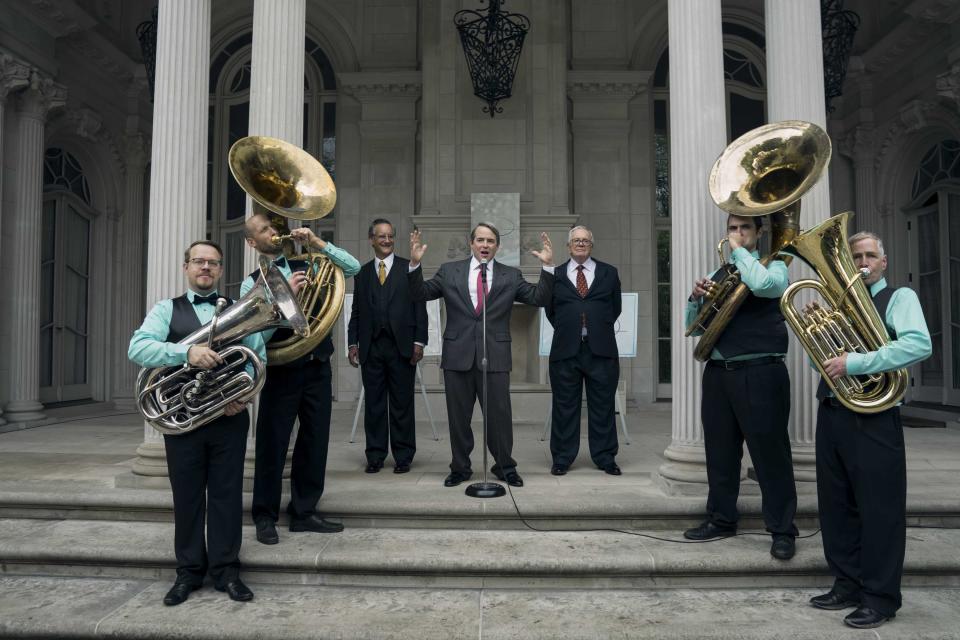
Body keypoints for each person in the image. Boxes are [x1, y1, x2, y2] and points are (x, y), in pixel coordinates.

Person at [808, 231, 931, 630]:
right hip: (833, 411)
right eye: (855, 256)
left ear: (883, 262)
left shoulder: (900, 298)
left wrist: (854, 363)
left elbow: (918, 344)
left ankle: (880, 597)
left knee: (880, 510)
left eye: (869, 256)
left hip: (874, 416)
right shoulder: (839, 304)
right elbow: (823, 363)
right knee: (836, 504)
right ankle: (847, 583)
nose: (862, 262)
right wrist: (821, 338)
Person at [128, 240, 263, 605]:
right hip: (183, 421)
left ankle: (227, 571)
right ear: (186, 267)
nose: (206, 268)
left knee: (227, 496)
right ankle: (188, 573)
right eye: (199, 262)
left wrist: (242, 395)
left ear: (220, 270)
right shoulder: (165, 310)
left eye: (213, 263)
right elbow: (137, 348)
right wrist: (184, 351)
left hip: (228, 418)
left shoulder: (241, 310)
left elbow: (256, 358)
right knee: (186, 499)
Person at [683, 214, 799, 561]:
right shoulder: (721, 273)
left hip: (760, 371)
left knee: (770, 456)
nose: (736, 234)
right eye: (732, 229)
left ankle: (782, 529)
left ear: (759, 233)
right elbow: (696, 327)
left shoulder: (776, 265)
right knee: (720, 452)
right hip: (720, 372)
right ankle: (721, 519)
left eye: (744, 228)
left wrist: (740, 254)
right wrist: (695, 297)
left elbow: (764, 286)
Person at [243, 212, 360, 545]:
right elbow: (252, 335)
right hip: (281, 370)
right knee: (273, 443)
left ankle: (304, 512)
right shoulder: (252, 280)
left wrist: (317, 242)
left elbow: (353, 268)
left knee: (314, 442)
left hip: (316, 365)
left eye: (272, 226)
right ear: (253, 243)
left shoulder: (309, 262)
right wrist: (282, 302)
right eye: (263, 230)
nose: (272, 232)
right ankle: (264, 515)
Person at [408, 223, 554, 488]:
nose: (485, 245)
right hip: (458, 355)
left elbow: (539, 298)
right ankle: (460, 468)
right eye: (480, 240)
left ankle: (505, 466)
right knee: (458, 417)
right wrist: (415, 265)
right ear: (471, 243)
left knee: (499, 416)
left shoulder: (510, 275)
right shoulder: (449, 271)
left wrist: (547, 268)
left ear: (497, 246)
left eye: (490, 241)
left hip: (495, 355)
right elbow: (420, 293)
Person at [347, 218, 428, 474]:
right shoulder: (362, 273)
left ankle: (403, 456)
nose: (386, 240)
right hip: (371, 348)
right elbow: (356, 312)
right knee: (374, 405)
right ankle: (375, 455)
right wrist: (352, 343)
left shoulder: (409, 267)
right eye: (381, 236)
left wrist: (419, 341)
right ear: (372, 239)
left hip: (402, 347)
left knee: (402, 404)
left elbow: (420, 306)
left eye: (390, 236)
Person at [545, 225, 622, 476]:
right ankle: (562, 458)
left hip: (601, 350)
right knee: (564, 407)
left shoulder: (609, 273)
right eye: (576, 241)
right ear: (568, 246)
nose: (580, 244)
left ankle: (605, 457)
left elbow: (615, 308)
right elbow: (550, 310)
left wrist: (595, 324)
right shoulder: (555, 274)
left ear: (591, 245)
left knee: (603, 406)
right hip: (565, 351)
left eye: (585, 241)